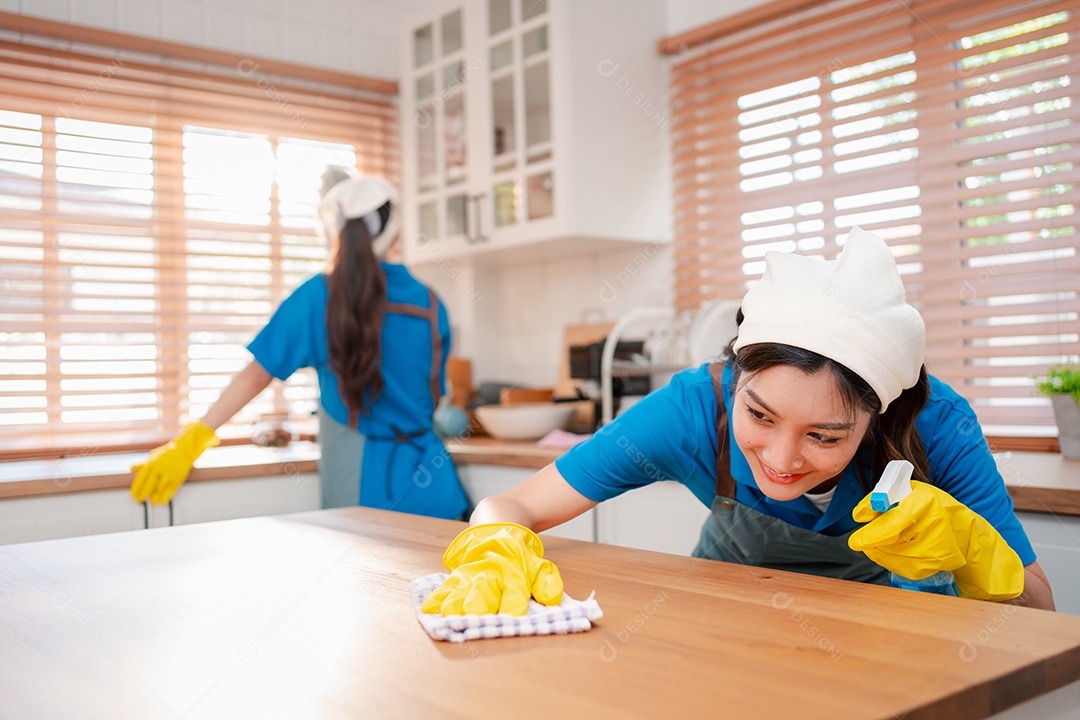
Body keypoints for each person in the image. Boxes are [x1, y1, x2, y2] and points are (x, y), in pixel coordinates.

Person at [421, 227, 1055, 617]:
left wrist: (975, 554)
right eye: (759, 414)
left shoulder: (935, 426)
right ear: (734, 378)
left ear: (877, 415)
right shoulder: (691, 409)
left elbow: (1041, 608)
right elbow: (513, 504)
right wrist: (495, 546)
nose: (781, 459)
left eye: (825, 437)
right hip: (721, 619)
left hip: (881, 636)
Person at [130, 170, 469, 520]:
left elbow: (256, 376)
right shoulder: (430, 302)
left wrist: (190, 444)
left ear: (334, 230)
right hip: (438, 493)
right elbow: (433, 397)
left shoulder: (320, 296)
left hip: (366, 496)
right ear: (393, 231)